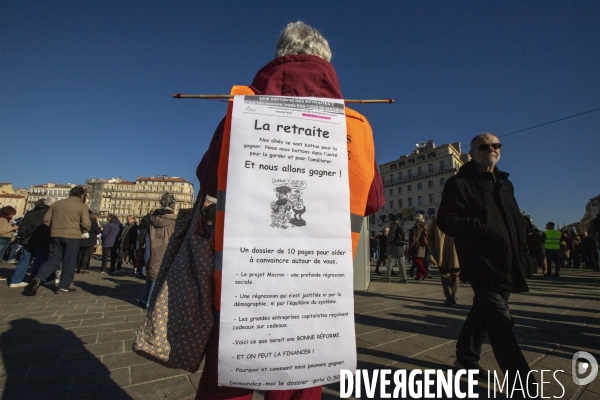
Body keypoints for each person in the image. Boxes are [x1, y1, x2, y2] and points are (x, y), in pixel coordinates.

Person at [194, 21, 384, 400]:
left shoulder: (241, 111)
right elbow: (374, 201)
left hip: (242, 277)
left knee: (229, 380)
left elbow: (206, 176)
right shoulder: (356, 124)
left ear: (280, 55)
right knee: (299, 383)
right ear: (327, 62)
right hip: (316, 285)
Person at [437, 132, 535, 390]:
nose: (490, 149)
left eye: (495, 145)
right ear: (472, 153)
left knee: (483, 313)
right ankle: (525, 386)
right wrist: (484, 228)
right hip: (482, 263)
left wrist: (523, 238)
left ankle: (466, 359)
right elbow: (446, 220)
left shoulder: (505, 183)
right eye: (484, 146)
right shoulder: (459, 183)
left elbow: (513, 220)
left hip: (508, 263)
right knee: (501, 323)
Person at [24, 186, 90, 296]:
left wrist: (55, 228)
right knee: (69, 261)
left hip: (55, 235)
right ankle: (63, 286)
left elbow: (46, 220)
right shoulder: (82, 206)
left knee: (53, 259)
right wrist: (82, 230)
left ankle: (37, 279)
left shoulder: (57, 204)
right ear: (82, 195)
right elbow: (86, 224)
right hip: (72, 236)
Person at [139, 193, 177, 309]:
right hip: (167, 248)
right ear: (173, 204)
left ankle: (144, 298)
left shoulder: (153, 217)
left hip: (153, 247)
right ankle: (152, 301)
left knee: (152, 273)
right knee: (160, 275)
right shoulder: (173, 219)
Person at [9, 199, 52, 287]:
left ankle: (16, 280)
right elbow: (38, 226)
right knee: (38, 260)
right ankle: (34, 279)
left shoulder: (30, 213)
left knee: (24, 260)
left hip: (26, 240)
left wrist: (23, 235)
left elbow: (23, 225)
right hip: (39, 239)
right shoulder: (47, 212)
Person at [428, 216, 460, 306]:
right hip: (456, 252)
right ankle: (453, 295)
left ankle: (450, 297)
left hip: (441, 252)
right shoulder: (459, 218)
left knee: (445, 275)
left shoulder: (437, 220)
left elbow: (429, 237)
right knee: (455, 274)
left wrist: (434, 248)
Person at [385, 216, 407, 283]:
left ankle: (388, 278)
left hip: (393, 247)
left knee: (390, 262)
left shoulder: (393, 226)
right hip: (401, 246)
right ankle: (404, 278)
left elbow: (391, 237)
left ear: (392, 220)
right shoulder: (401, 225)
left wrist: (388, 243)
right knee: (402, 263)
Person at [408, 214, 430, 280]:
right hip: (423, 245)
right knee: (420, 260)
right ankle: (418, 275)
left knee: (416, 260)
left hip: (417, 245)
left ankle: (425, 272)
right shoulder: (425, 226)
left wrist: (411, 245)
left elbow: (415, 237)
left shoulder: (417, 226)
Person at [0, 206, 19, 280]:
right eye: (11, 214)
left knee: (1, 258)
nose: (12, 216)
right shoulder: (1, 219)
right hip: (1, 239)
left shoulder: (6, 220)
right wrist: (12, 228)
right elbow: (1, 230)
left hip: (6, 240)